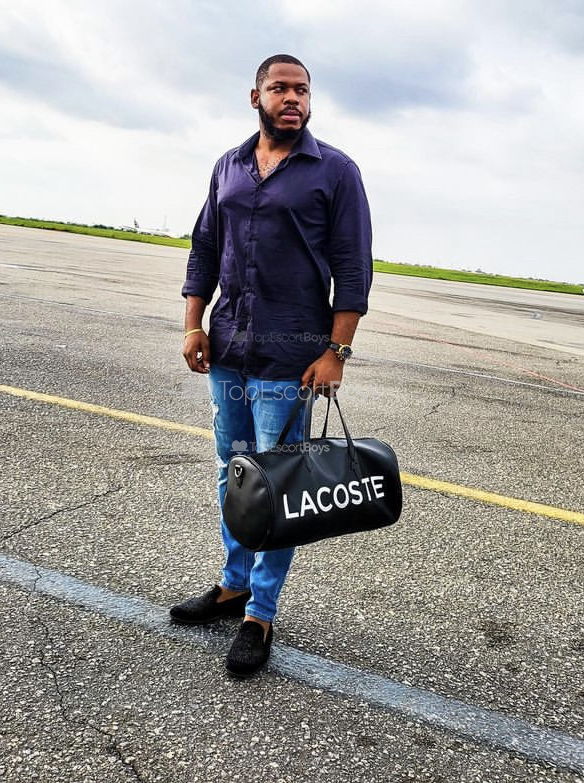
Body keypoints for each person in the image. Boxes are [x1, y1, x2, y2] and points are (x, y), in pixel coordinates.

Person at [172, 54, 373, 678]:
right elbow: (205, 247)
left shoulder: (335, 171)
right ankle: (233, 585)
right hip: (228, 348)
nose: (293, 99)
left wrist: (336, 351)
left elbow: (354, 268)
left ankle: (259, 614)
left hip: (291, 358)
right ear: (255, 95)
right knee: (232, 472)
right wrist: (193, 323)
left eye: (302, 90)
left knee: (277, 484)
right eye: (280, 88)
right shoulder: (228, 166)